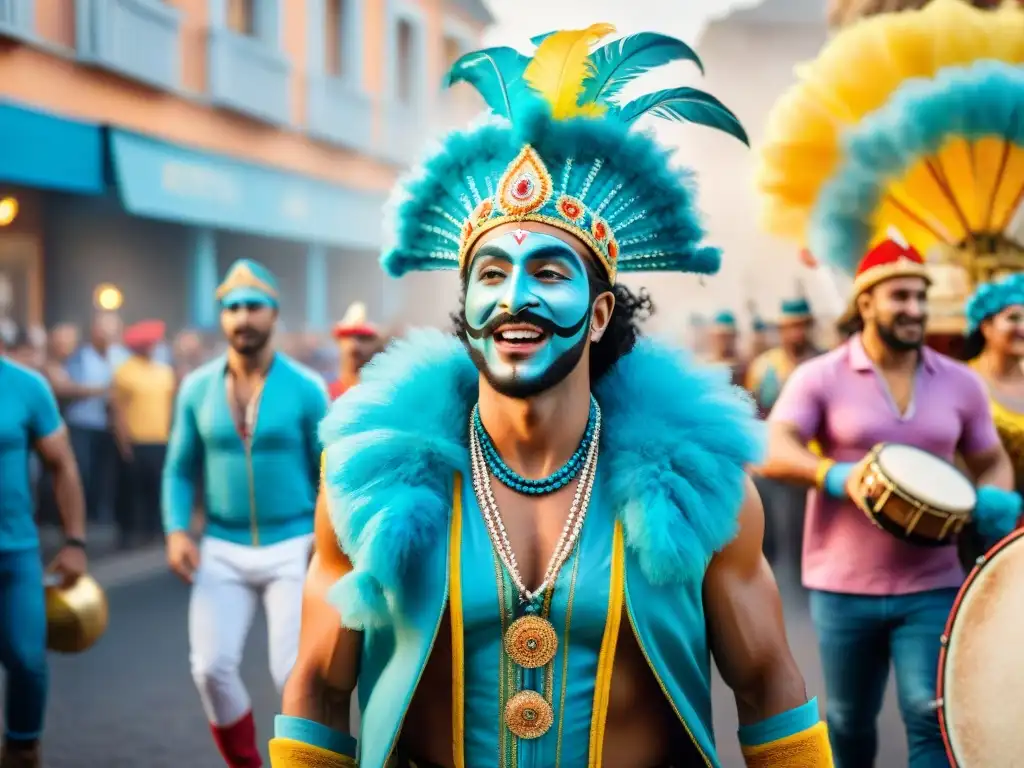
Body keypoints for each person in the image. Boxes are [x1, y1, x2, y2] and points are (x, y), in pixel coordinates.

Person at [270, 25, 832, 768]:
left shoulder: (702, 493)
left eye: (552, 274)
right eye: (493, 275)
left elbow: (766, 684)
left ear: (600, 315)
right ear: (467, 306)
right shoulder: (372, 483)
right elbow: (316, 685)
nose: (517, 299)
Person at [759, 235, 1019, 767]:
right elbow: (771, 447)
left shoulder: (961, 382)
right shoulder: (820, 375)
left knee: (930, 714)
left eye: (920, 298)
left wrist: (991, 503)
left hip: (935, 580)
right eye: (900, 296)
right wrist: (836, 477)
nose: (914, 309)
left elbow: (991, 458)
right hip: (842, 585)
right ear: (866, 302)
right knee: (850, 719)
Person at [162, 259, 329, 767]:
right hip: (222, 544)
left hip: (293, 544)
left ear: (274, 313)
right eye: (232, 308)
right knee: (210, 668)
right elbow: (179, 468)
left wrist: (326, 539)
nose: (242, 318)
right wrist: (174, 531)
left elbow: (329, 471)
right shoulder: (196, 388)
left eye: (253, 306)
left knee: (291, 673)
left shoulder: (306, 388)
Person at [0, 331, 88, 768]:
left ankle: (21, 748)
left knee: (28, 659)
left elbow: (63, 464)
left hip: (13, 554)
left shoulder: (25, 385)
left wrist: (74, 541)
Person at [111, 320, 176, 548]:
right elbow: (117, 411)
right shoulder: (124, 372)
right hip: (135, 440)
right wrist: (123, 441)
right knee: (130, 490)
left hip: (160, 439)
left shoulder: (165, 372)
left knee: (157, 487)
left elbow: (171, 406)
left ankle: (155, 529)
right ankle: (128, 531)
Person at [64, 311, 128, 524]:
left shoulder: (122, 356)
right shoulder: (79, 356)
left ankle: (103, 516)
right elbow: (66, 387)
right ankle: (81, 515)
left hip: (110, 425)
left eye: (113, 329)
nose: (108, 334)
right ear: (94, 331)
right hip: (82, 423)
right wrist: (100, 390)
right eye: (104, 329)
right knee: (83, 470)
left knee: (107, 473)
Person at [745, 297, 820, 419]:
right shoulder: (762, 367)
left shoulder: (824, 363)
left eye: (801, 326)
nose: (796, 333)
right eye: (791, 326)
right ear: (781, 328)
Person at [328, 302, 381, 401]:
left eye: (362, 339)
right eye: (348, 338)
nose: (354, 344)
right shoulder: (330, 391)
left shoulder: (377, 390)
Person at [706, 310, 747, 387]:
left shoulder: (743, 368)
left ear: (735, 336)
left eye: (728, 336)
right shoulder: (705, 368)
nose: (725, 341)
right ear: (712, 337)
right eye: (721, 337)